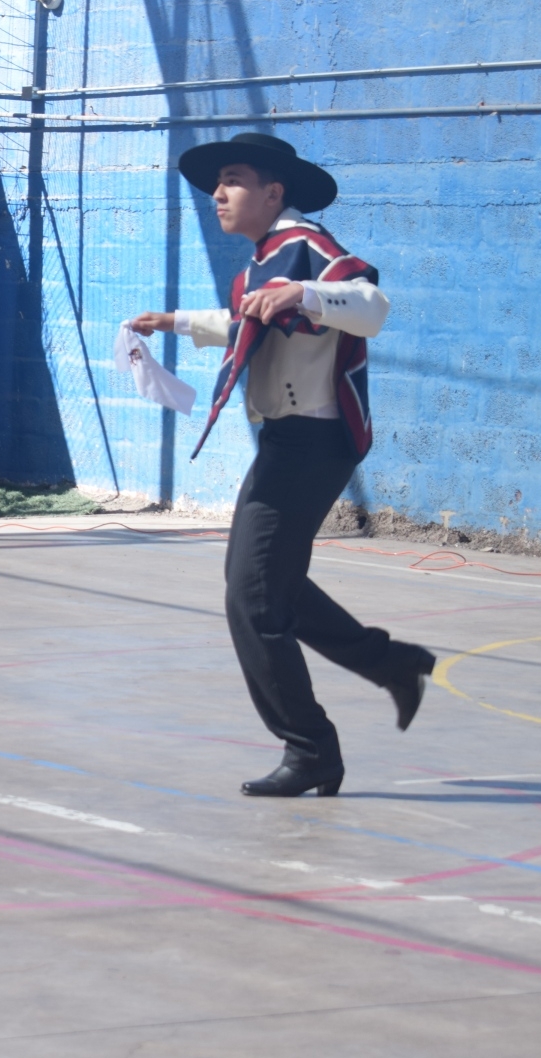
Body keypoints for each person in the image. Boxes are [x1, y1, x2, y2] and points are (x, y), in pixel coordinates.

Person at [130, 133, 435, 798]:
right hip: (286, 441)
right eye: (217, 184)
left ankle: (310, 748)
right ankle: (391, 664)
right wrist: (173, 322)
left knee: (252, 596)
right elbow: (246, 321)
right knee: (274, 586)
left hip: (314, 441)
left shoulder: (307, 247)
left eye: (232, 180)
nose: (218, 194)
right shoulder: (264, 261)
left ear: (274, 192)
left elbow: (372, 306)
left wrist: (305, 294)